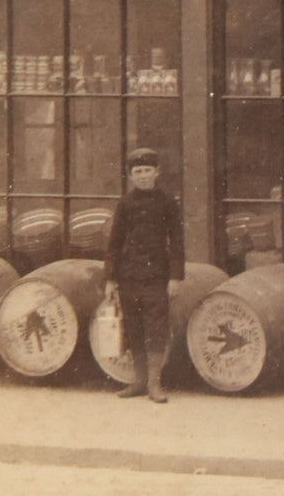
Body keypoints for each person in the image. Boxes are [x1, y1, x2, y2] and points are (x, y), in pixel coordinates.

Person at [104, 148, 185, 402]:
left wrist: (175, 277)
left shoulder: (168, 202)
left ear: (157, 173)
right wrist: (110, 279)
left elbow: (177, 242)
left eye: (147, 171)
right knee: (134, 329)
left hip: (156, 277)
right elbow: (114, 243)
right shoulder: (125, 204)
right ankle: (139, 382)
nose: (143, 176)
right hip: (129, 276)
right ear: (130, 176)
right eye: (137, 172)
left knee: (156, 329)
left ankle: (154, 383)